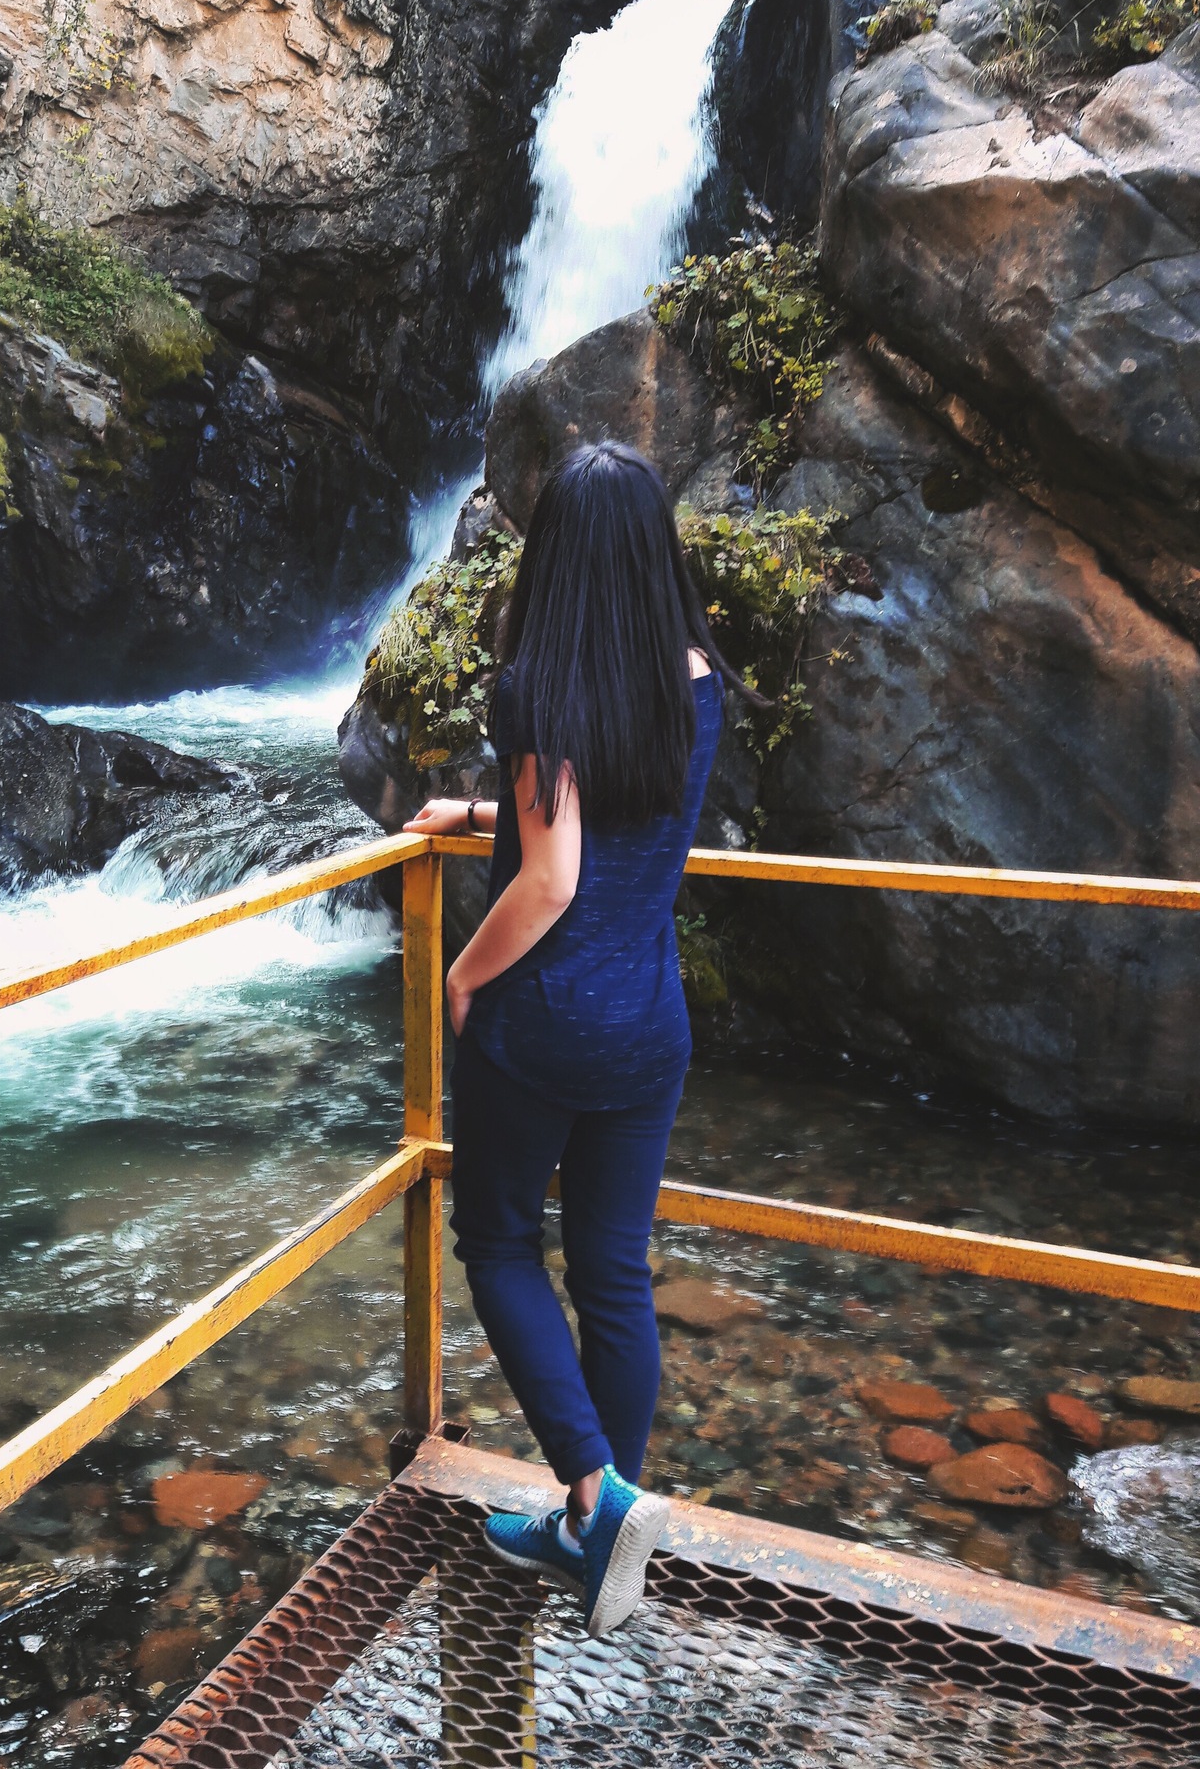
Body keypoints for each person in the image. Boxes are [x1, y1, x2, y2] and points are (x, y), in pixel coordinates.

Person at [403, 440, 745, 1637]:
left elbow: (550, 880)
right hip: (648, 1024)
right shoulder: (696, 678)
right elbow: (613, 826)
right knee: (611, 1275)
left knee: (496, 1242)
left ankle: (596, 1496)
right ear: (656, 551)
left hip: (544, 1025)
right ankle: (600, 1526)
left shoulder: (542, 688)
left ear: (553, 556)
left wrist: (460, 970)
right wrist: (484, 809)